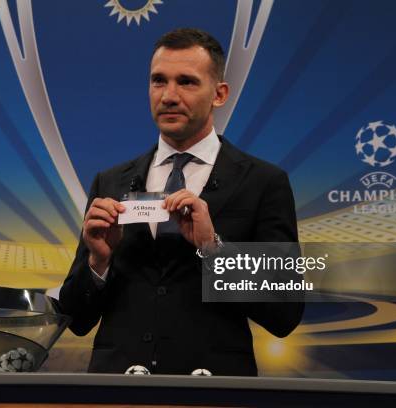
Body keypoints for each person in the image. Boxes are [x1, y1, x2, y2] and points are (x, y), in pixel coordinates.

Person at [59, 29, 303, 376]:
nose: (169, 96)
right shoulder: (109, 182)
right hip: (117, 390)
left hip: (214, 391)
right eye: (159, 81)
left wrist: (212, 248)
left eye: (186, 82)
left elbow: (285, 313)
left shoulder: (263, 183)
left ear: (219, 94)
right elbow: (77, 318)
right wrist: (99, 261)